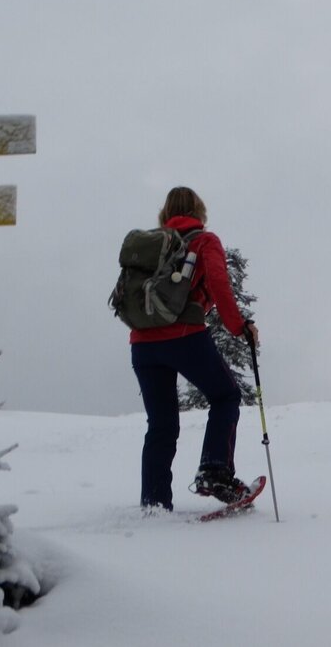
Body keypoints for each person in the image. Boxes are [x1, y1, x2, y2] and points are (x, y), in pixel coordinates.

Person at [129, 186, 260, 512]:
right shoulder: (203, 240)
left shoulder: (151, 246)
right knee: (225, 396)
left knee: (161, 425)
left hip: (143, 344)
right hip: (184, 336)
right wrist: (239, 326)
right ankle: (215, 473)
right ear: (199, 210)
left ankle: (154, 504)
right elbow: (218, 282)